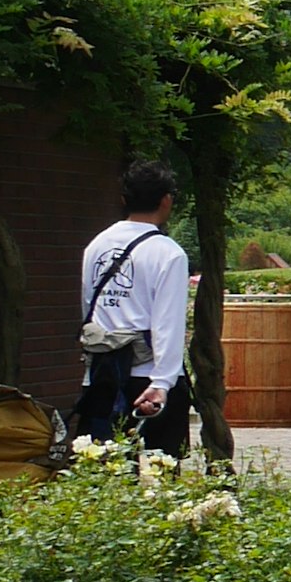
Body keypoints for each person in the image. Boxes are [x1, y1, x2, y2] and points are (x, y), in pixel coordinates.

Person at [77, 159, 192, 457]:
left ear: (124, 199)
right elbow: (168, 324)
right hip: (150, 379)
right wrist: (163, 383)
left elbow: (89, 309)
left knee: (103, 468)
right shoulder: (168, 254)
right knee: (158, 474)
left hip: (101, 374)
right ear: (166, 201)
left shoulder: (97, 245)